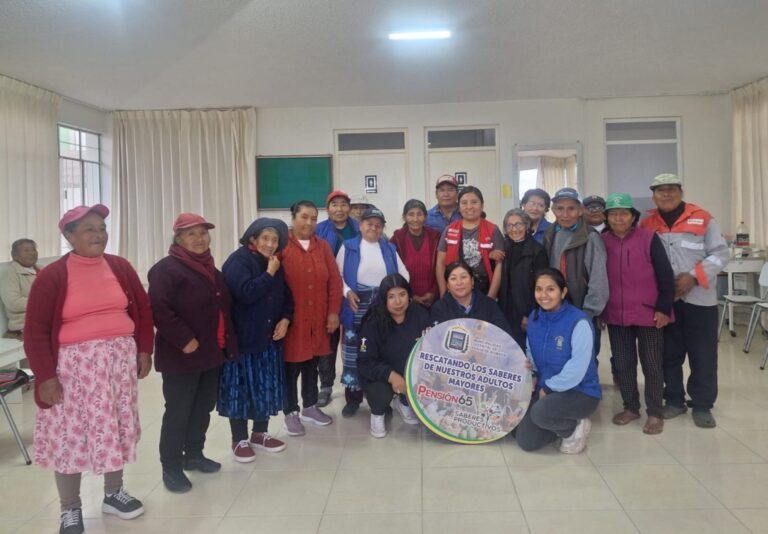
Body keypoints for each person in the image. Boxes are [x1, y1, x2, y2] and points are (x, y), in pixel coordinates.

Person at [24, 205, 153, 534]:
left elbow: (142, 308)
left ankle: (114, 493)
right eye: (89, 230)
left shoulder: (120, 267)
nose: (99, 235)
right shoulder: (52, 275)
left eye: (101, 228)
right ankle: (70, 509)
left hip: (118, 365)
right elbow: (35, 329)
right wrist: (45, 377)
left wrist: (144, 350)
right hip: (73, 369)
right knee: (70, 436)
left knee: (116, 426)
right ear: (68, 236)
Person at [148, 213, 237, 493]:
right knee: (178, 411)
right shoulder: (166, 269)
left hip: (211, 353)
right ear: (177, 239)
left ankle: (194, 454)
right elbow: (160, 311)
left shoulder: (210, 268)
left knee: (202, 407)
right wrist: (184, 339)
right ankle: (171, 467)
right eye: (191, 234)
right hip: (182, 355)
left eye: (203, 233)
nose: (199, 239)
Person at [639, 174, 730, 428]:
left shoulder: (702, 218)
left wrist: (692, 277)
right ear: (653, 195)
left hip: (700, 300)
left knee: (703, 355)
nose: (666, 194)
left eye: (671, 189)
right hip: (667, 302)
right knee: (668, 354)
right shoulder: (647, 224)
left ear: (680, 191)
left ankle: (702, 405)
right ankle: (675, 400)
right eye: (660, 190)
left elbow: (721, 254)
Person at [218, 218, 294, 462]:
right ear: (253, 238)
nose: (270, 244)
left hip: (269, 339)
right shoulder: (238, 261)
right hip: (244, 341)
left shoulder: (274, 264)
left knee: (265, 387)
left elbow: (286, 297)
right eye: (265, 239)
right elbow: (246, 293)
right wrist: (269, 274)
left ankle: (260, 433)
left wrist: (285, 319)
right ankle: (238, 438)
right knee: (241, 390)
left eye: (275, 240)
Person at [601, 193, 675, 435]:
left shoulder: (649, 238)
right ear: (607, 218)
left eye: (624, 213)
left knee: (652, 364)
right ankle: (631, 407)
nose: (618, 218)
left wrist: (664, 308)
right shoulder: (601, 241)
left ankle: (655, 412)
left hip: (649, 314)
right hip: (616, 315)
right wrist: (600, 311)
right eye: (613, 213)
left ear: (633, 216)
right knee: (623, 364)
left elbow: (666, 276)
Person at [515, 268, 601, 454]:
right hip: (547, 389)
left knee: (540, 412)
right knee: (524, 439)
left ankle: (573, 429)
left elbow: (577, 368)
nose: (544, 295)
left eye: (550, 289)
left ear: (563, 292)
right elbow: (531, 353)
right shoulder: (534, 318)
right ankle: (560, 423)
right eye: (539, 289)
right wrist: (534, 374)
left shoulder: (579, 321)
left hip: (581, 391)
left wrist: (549, 388)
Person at [336, 207, 409, 417]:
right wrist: (347, 291)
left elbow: (404, 274)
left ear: (382, 228)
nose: (373, 228)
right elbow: (337, 274)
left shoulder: (389, 248)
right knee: (352, 351)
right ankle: (353, 398)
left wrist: (397, 296)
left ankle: (381, 399)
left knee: (378, 350)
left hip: (382, 306)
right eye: (369, 224)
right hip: (355, 304)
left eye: (378, 225)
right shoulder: (348, 247)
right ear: (360, 226)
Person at [281, 201, 342, 437]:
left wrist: (333, 312)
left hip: (318, 319)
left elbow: (334, 282)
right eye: (304, 217)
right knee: (291, 367)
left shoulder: (323, 246)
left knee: (312, 364)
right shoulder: (282, 244)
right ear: (293, 217)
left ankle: (309, 406)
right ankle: (290, 411)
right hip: (292, 320)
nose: (308, 223)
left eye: (313, 218)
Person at [543, 187, 609, 368]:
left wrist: (589, 312)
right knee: (560, 353)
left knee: (585, 357)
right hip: (556, 308)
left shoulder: (590, 237)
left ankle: (586, 395)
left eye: (571, 208)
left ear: (580, 210)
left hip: (581, 308)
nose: (565, 214)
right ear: (554, 210)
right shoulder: (550, 234)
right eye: (560, 208)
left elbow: (598, 278)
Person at [358, 274, 431, 437]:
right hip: (383, 375)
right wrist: (391, 376)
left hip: (411, 373)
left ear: (409, 295)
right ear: (383, 299)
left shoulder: (420, 314)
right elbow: (364, 362)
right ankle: (377, 413)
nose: (398, 302)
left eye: (402, 295)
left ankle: (404, 401)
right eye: (391, 297)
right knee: (380, 392)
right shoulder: (372, 322)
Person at [315, 190, 359, 407]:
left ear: (349, 208)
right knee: (328, 340)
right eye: (335, 205)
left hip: (356, 292)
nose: (339, 209)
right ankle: (326, 385)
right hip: (328, 292)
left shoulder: (360, 227)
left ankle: (358, 382)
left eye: (343, 204)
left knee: (357, 339)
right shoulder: (319, 230)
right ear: (328, 209)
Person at [435, 186, 505, 298]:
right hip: (455, 289)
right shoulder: (449, 230)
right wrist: (444, 294)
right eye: (464, 203)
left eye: (474, 202)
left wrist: (491, 296)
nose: (469, 207)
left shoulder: (492, 230)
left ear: (482, 205)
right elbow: (440, 264)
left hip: (484, 290)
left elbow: (500, 265)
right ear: (458, 207)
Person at [497, 209, 548, 350]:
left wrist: (529, 314)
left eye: (518, 224)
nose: (514, 229)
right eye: (509, 225)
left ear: (527, 226)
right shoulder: (503, 248)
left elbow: (540, 285)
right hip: (505, 309)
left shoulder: (538, 251)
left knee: (526, 352)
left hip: (526, 311)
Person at [430, 260, 512, 334]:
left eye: (464, 277)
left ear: (472, 281)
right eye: (453, 278)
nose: (459, 282)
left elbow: (504, 335)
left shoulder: (489, 305)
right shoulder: (439, 308)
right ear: (447, 285)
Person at [390, 199, 440, 307]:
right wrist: (410, 295)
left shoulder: (435, 237)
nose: (415, 219)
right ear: (404, 217)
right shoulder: (398, 238)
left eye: (419, 214)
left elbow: (440, 266)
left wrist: (433, 292)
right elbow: (393, 269)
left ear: (426, 217)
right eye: (411, 215)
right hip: (406, 299)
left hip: (433, 298)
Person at [0, 238, 39, 340]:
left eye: (33, 249)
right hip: (23, 325)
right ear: (15, 255)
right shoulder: (9, 273)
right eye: (26, 250)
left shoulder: (42, 269)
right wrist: (43, 302)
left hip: (48, 319)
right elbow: (13, 303)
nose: (32, 253)